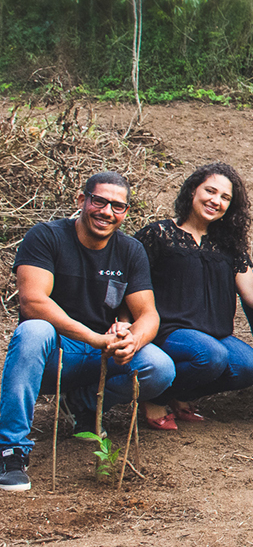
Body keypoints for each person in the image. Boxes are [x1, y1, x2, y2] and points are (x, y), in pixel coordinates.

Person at [1, 174, 175, 494]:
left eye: (118, 206)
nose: (107, 211)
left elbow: (148, 313)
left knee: (159, 367)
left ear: (125, 212)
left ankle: (83, 405)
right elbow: (33, 300)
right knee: (33, 330)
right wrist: (93, 337)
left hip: (101, 352)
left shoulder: (130, 250)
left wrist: (133, 338)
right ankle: (11, 450)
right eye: (99, 201)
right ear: (81, 201)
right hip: (54, 353)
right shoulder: (46, 237)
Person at [135, 163, 253, 430]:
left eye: (225, 198)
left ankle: (180, 394)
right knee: (211, 356)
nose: (216, 201)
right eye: (210, 191)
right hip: (169, 331)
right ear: (192, 191)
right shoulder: (160, 234)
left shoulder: (229, 244)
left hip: (215, 334)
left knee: (250, 365)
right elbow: (132, 282)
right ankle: (154, 396)